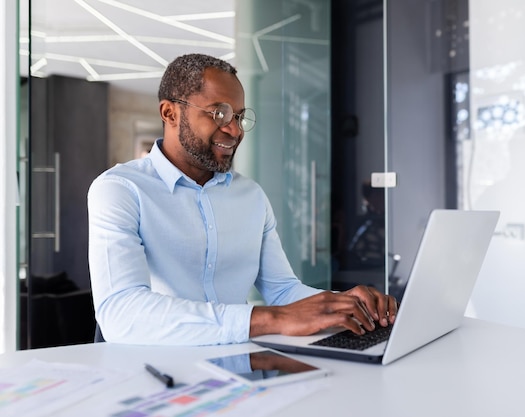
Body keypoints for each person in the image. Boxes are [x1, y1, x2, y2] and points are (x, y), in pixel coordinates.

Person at [88, 53, 397, 345]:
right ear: (170, 113)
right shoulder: (120, 190)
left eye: (239, 116)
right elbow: (120, 312)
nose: (234, 130)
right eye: (219, 113)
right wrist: (269, 320)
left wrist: (343, 304)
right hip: (155, 373)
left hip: (239, 366)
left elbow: (282, 290)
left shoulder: (251, 197)